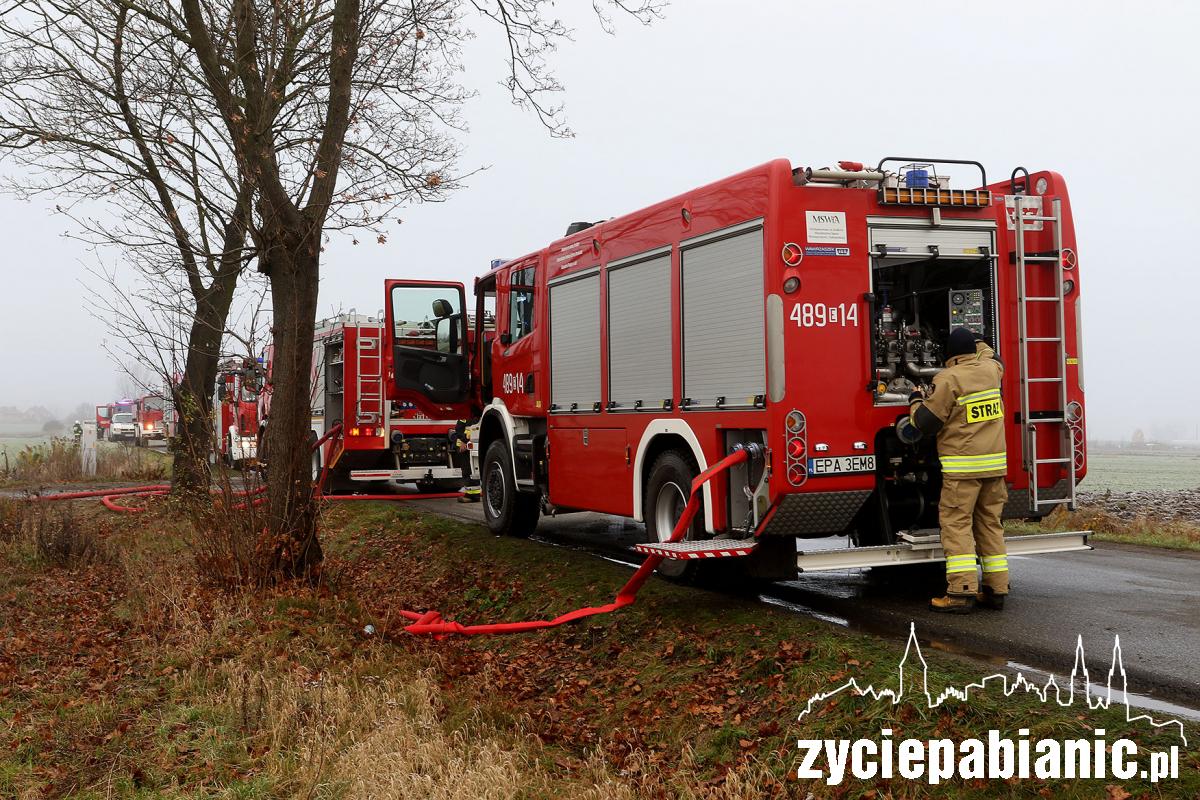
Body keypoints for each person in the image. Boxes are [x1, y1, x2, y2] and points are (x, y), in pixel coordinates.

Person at [905, 328, 1009, 614]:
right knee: (990, 524)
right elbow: (993, 354)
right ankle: (996, 589)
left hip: (963, 470)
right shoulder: (992, 370)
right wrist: (978, 339)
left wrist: (915, 399)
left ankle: (961, 592)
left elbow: (925, 423)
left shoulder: (948, 379)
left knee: (957, 526)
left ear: (949, 356)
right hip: (994, 467)